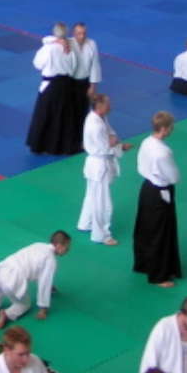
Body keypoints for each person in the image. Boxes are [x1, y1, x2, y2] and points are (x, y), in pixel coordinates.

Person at [0, 231, 70, 329]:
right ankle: (6, 314)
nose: (68, 250)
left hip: (0, 270)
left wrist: (51, 287)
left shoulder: (38, 245)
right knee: (24, 304)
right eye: (66, 247)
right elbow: (44, 283)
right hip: (12, 278)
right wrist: (43, 308)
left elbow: (39, 270)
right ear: (58, 246)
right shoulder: (51, 260)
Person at [134, 111, 181, 287]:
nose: (172, 130)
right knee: (159, 233)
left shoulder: (146, 142)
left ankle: (144, 264)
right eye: (170, 127)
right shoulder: (163, 152)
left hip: (147, 189)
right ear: (164, 128)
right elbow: (174, 177)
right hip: (161, 192)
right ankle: (159, 275)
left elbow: (140, 165)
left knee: (145, 229)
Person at [77, 93, 132, 245]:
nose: (110, 106)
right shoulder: (95, 125)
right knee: (103, 203)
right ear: (99, 106)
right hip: (99, 165)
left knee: (92, 196)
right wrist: (121, 147)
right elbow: (104, 148)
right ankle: (101, 235)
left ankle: (85, 223)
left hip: (96, 164)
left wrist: (114, 141)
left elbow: (111, 135)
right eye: (108, 104)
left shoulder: (99, 118)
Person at [26, 23, 79, 155]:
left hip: (50, 86)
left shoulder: (48, 48)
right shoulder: (71, 47)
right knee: (65, 116)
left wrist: (48, 43)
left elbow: (37, 64)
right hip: (66, 84)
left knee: (45, 116)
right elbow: (73, 67)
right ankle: (63, 146)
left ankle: (40, 145)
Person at [68, 22, 101, 117]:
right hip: (71, 82)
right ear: (73, 33)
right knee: (70, 109)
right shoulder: (68, 43)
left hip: (85, 82)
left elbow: (95, 65)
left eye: (84, 33)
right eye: (79, 33)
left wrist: (93, 86)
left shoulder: (92, 44)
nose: (82, 36)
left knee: (84, 109)